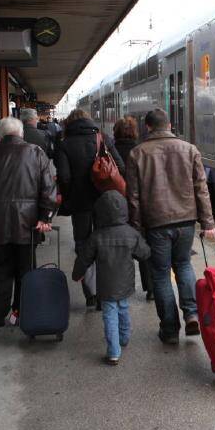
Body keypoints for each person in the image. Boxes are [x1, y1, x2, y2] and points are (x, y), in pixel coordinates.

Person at [126, 108, 215, 345]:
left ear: (148, 127)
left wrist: (136, 228)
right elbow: (201, 189)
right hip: (186, 220)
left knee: (161, 273)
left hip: (155, 224)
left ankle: (169, 329)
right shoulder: (189, 150)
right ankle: (191, 314)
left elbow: (133, 197)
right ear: (169, 125)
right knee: (184, 265)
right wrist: (208, 223)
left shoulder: (137, 153)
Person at [0, 116, 56, 327]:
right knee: (26, 270)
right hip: (29, 224)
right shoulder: (36, 153)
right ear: (21, 133)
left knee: (0, 269)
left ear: (0, 133)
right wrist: (45, 216)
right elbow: (48, 189)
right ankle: (20, 312)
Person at [55, 109, 125, 308]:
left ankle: (92, 292)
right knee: (105, 244)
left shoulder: (64, 145)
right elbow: (120, 166)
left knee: (83, 244)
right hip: (106, 202)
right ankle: (107, 290)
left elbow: (65, 177)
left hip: (80, 205)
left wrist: (70, 196)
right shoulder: (103, 139)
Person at [72, 191, 150, 365]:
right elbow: (145, 253)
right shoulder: (130, 233)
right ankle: (124, 337)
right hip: (125, 282)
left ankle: (114, 351)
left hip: (106, 285)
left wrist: (77, 274)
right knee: (123, 307)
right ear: (124, 210)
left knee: (109, 314)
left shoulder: (96, 236)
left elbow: (84, 258)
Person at [113, 116, 154, 301]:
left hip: (116, 205)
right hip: (138, 205)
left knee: (118, 248)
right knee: (143, 246)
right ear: (135, 132)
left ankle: (120, 288)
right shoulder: (141, 151)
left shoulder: (109, 151)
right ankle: (151, 288)